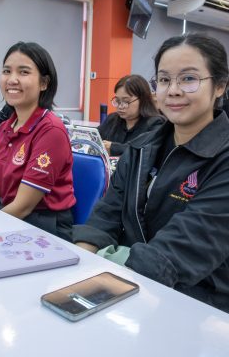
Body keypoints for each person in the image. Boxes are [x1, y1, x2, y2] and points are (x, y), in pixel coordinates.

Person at [73, 33, 229, 313]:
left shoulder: (223, 157)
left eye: (189, 79)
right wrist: (77, 267)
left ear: (219, 86)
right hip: (135, 282)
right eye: (165, 80)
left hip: (199, 302)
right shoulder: (142, 147)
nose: (173, 91)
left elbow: (186, 244)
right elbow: (107, 213)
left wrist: (111, 291)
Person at [0, 41, 76, 241]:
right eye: (6, 71)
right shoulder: (4, 128)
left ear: (44, 83)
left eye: (23, 72)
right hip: (9, 215)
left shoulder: (51, 130)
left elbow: (23, 206)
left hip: (44, 225)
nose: (12, 79)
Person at [98, 74, 164, 156]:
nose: (120, 106)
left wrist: (113, 148)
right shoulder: (113, 119)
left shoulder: (156, 123)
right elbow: (95, 138)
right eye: (117, 101)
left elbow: (144, 151)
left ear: (143, 100)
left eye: (126, 101)